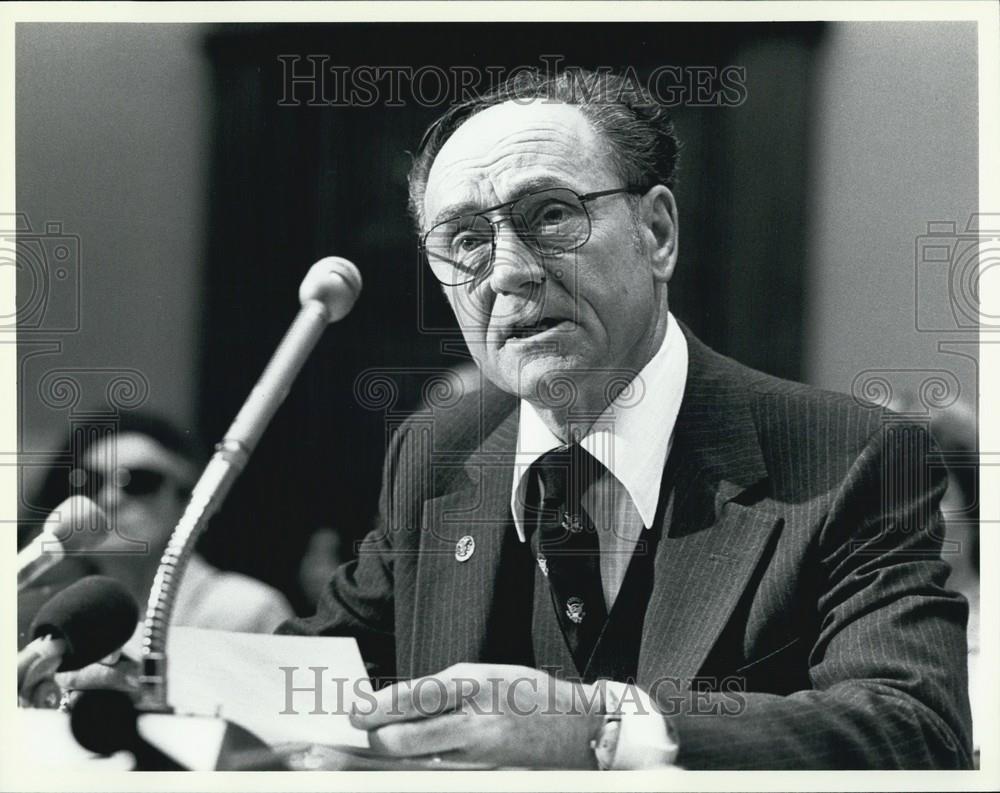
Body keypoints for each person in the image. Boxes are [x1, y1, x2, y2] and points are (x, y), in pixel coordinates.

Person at [61, 68, 972, 770]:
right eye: (464, 240)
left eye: (551, 215)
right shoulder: (441, 452)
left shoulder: (849, 455)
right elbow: (321, 667)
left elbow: (914, 726)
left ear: (658, 233)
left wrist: (598, 729)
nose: (508, 271)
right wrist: (146, 686)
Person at [22, 411, 294, 640]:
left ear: (186, 502)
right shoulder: (50, 614)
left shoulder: (246, 609)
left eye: (140, 482)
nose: (109, 498)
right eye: (88, 481)